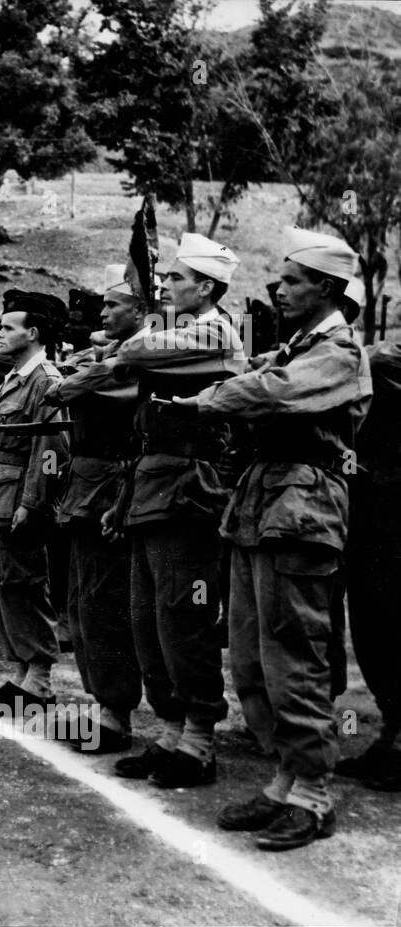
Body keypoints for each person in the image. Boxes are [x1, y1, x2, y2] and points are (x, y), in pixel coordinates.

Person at [174, 229, 371, 849]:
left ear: (328, 289)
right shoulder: (295, 345)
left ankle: (313, 793)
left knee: (295, 649)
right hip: (264, 501)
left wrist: (208, 399)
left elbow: (275, 393)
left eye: (290, 281)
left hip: (303, 504)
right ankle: (285, 777)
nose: (277, 290)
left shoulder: (341, 351)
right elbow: (262, 378)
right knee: (253, 650)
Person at [108, 233, 244, 788]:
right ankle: (168, 729)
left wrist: (127, 351)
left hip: (190, 492)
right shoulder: (182, 332)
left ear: (207, 287)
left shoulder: (215, 330)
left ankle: (200, 739)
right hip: (152, 487)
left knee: (182, 618)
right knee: (147, 619)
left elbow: (134, 354)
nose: (166, 286)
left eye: (179, 280)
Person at [43, 266, 144, 752]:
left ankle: (116, 713)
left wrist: (83, 370)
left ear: (141, 311)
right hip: (87, 487)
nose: (101, 314)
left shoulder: (142, 362)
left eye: (112, 306)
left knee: (105, 605)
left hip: (110, 488)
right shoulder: (114, 355)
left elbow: (68, 389)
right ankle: (103, 706)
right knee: (84, 602)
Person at [0, 292, 69, 710]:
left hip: (17, 497)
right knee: (1, 587)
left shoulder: (46, 380)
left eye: (8, 327)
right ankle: (21, 673)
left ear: (32, 334)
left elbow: (51, 451)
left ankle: (41, 679)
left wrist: (32, 502)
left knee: (25, 585)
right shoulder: (16, 375)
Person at [339, 277, 401, 792]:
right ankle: (390, 734)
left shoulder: (379, 359)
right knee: (372, 629)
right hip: (369, 511)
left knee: (390, 625)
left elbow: (382, 361)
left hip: (392, 515)